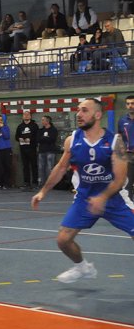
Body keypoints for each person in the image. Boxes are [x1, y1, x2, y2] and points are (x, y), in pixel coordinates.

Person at [31, 98, 134, 283]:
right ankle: (83, 267)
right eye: (78, 110)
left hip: (114, 197)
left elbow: (119, 180)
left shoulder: (114, 141)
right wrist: (43, 191)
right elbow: (61, 167)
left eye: (84, 110)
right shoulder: (72, 140)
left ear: (97, 115)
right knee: (63, 240)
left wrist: (102, 197)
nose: (79, 114)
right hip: (85, 197)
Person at [117, 95, 134, 201]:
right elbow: (119, 138)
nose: (130, 106)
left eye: (132, 103)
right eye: (128, 104)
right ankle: (130, 212)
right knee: (127, 186)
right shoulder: (122, 121)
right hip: (128, 157)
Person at [16, 111, 39, 189]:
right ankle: (26, 182)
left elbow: (37, 136)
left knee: (34, 166)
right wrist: (21, 139)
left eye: (27, 115)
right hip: (23, 149)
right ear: (22, 116)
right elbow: (16, 137)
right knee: (25, 166)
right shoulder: (20, 126)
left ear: (30, 116)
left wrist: (30, 139)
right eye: (24, 115)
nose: (26, 116)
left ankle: (35, 182)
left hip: (32, 148)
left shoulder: (34, 126)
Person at [37, 115, 59, 186]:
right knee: (41, 167)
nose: (42, 121)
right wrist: (45, 138)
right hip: (42, 151)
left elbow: (52, 139)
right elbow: (38, 139)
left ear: (47, 121)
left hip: (50, 151)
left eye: (43, 120)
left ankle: (49, 184)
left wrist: (43, 138)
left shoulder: (53, 130)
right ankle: (42, 183)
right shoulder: (41, 130)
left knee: (50, 167)